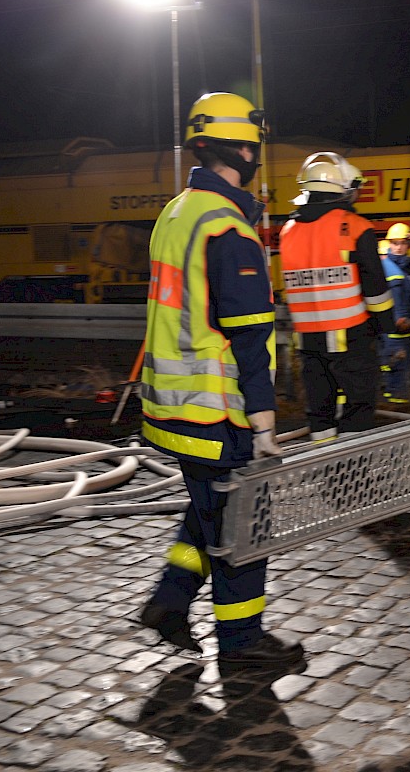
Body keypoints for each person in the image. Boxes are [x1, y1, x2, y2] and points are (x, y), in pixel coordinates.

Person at [138, 92, 304, 678]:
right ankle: (240, 641)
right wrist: (264, 421)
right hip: (218, 412)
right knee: (242, 527)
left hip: (171, 408)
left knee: (205, 510)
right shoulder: (229, 228)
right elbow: (250, 338)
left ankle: (169, 600)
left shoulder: (176, 211)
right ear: (243, 147)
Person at [279, 152, 395, 442]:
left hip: (308, 340)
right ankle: (353, 477)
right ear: (342, 188)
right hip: (352, 337)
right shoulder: (355, 227)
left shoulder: (288, 231)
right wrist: (386, 328)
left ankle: (326, 473)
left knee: (320, 413)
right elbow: (376, 291)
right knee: (358, 407)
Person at [380, 223, 410, 404]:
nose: (398, 247)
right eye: (395, 243)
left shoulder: (408, 266)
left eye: (403, 243)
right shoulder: (388, 267)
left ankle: (393, 404)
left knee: (399, 370)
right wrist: (399, 319)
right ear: (389, 243)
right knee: (397, 369)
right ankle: (396, 413)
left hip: (405, 328)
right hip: (395, 328)